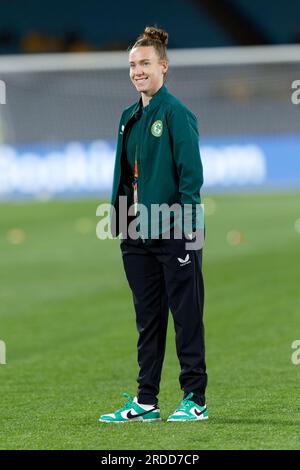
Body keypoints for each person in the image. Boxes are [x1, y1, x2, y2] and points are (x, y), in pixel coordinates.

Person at [99, 26, 208, 423]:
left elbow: (190, 176)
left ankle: (195, 398)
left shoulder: (177, 114)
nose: (137, 71)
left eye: (144, 63)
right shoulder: (129, 116)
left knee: (186, 316)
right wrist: (122, 223)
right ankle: (146, 401)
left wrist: (189, 229)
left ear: (163, 66)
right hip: (136, 234)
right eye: (132, 65)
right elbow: (127, 175)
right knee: (148, 319)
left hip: (176, 231)